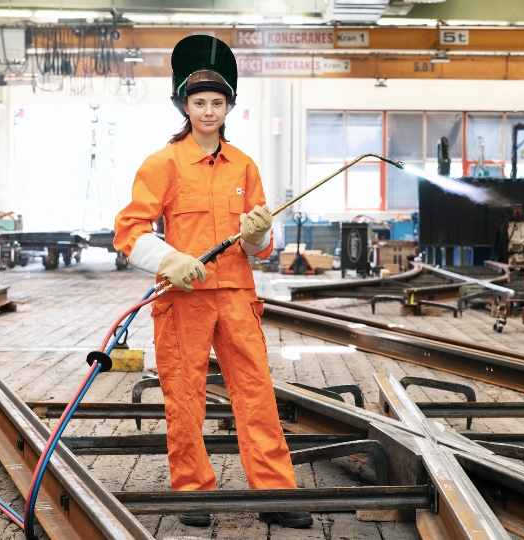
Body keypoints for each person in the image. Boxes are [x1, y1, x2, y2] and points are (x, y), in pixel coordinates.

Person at [114, 35, 312, 530]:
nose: (208, 110)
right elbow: (129, 231)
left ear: (229, 108)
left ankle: (276, 493)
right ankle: (192, 490)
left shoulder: (244, 165)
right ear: (184, 105)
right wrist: (169, 260)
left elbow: (261, 249)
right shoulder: (163, 164)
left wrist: (261, 234)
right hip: (185, 299)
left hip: (238, 298)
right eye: (198, 102)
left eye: (216, 103)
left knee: (256, 392)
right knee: (185, 394)